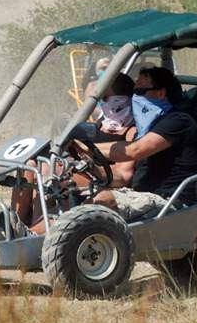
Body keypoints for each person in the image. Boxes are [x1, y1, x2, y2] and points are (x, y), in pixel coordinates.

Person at [11, 73, 138, 233]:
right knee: (29, 166)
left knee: (48, 172)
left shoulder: (131, 131)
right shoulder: (102, 122)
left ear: (121, 98)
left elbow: (123, 175)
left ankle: (33, 229)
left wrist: (88, 163)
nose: (102, 103)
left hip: (102, 178)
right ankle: (15, 225)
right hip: (79, 169)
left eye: (105, 97)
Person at [89, 67, 197, 222]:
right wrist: (87, 163)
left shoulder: (178, 121)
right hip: (141, 196)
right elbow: (124, 175)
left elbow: (133, 151)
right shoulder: (147, 126)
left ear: (160, 93)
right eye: (133, 92)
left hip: (170, 202)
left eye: (139, 92)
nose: (134, 98)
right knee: (71, 197)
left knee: (101, 201)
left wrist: (86, 147)